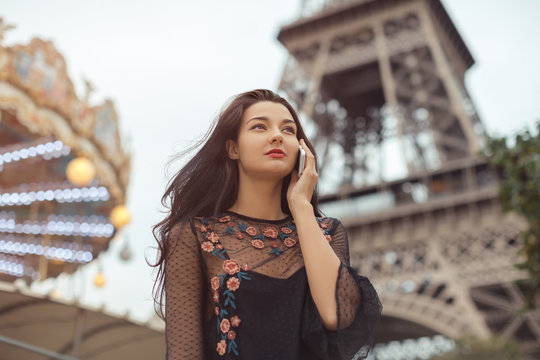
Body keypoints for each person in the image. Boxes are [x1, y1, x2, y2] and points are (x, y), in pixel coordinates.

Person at [151, 89, 381, 360]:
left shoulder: (326, 232)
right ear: (233, 148)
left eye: (288, 130)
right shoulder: (195, 235)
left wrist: (301, 207)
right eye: (259, 126)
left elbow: (337, 315)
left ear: (301, 150)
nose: (277, 136)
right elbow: (184, 355)